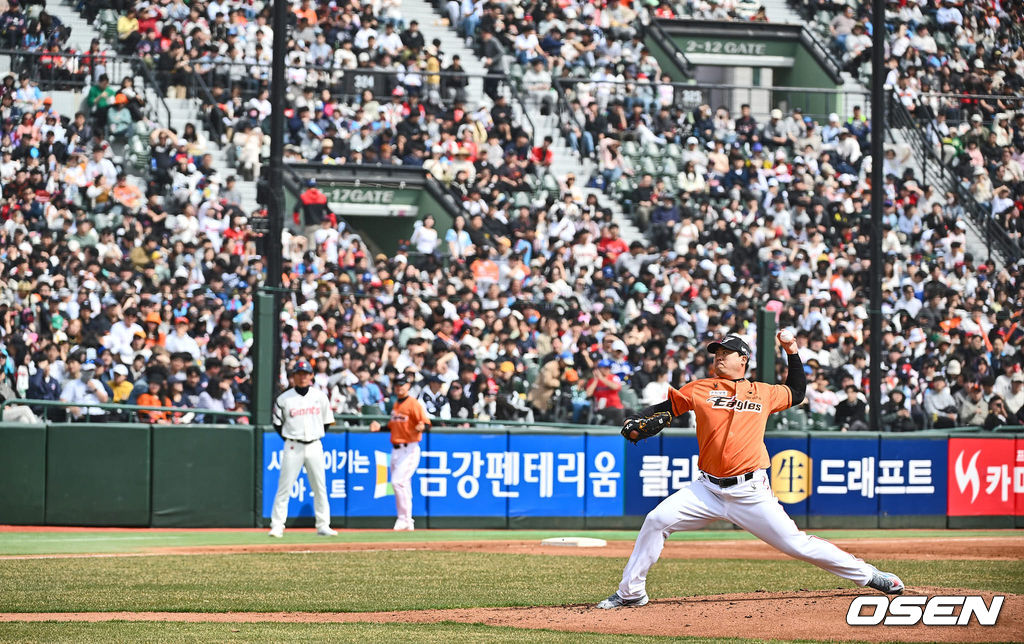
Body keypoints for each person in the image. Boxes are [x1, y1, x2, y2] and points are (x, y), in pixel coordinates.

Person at [596, 333, 904, 609]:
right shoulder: (700, 388)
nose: (718, 356)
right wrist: (636, 420)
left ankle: (868, 575)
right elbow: (664, 409)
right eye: (716, 351)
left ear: (743, 359)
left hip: (750, 491)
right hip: (707, 489)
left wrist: (792, 351)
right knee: (656, 520)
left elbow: (796, 392)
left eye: (726, 352)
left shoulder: (764, 392)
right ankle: (631, 592)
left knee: (796, 543)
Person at [268, 360, 337, 538]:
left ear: (311, 376)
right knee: (284, 487)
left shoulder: (320, 396)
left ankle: (323, 524)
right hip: (293, 445)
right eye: (299, 373)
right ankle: (277, 525)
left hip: (314, 444)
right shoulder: (284, 399)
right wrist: (290, 437)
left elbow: (327, 421)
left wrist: (315, 435)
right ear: (294, 376)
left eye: (306, 373)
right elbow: (277, 424)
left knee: (320, 487)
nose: (302, 377)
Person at [369, 376, 431, 531]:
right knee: (403, 484)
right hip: (396, 449)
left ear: (408, 386)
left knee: (398, 482)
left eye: (402, 385)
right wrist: (380, 428)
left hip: (409, 448)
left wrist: (422, 427)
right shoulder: (396, 404)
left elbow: (427, 423)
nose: (399, 388)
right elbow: (392, 426)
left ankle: (404, 519)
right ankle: (407, 521)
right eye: (396, 385)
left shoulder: (413, 403)